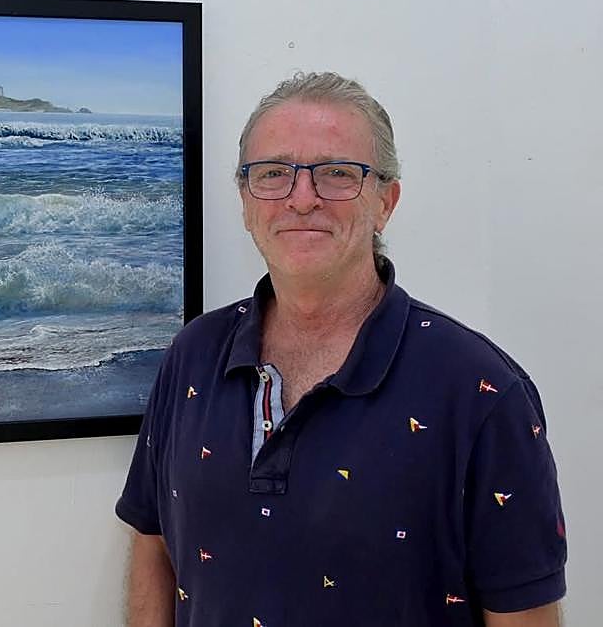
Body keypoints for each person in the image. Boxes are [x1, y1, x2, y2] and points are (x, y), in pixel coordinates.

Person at [116, 72, 567, 626]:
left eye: (336, 174)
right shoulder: (193, 355)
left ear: (386, 202)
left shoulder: (482, 392)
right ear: (245, 200)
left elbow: (525, 615)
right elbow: (152, 544)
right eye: (274, 173)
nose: (301, 199)